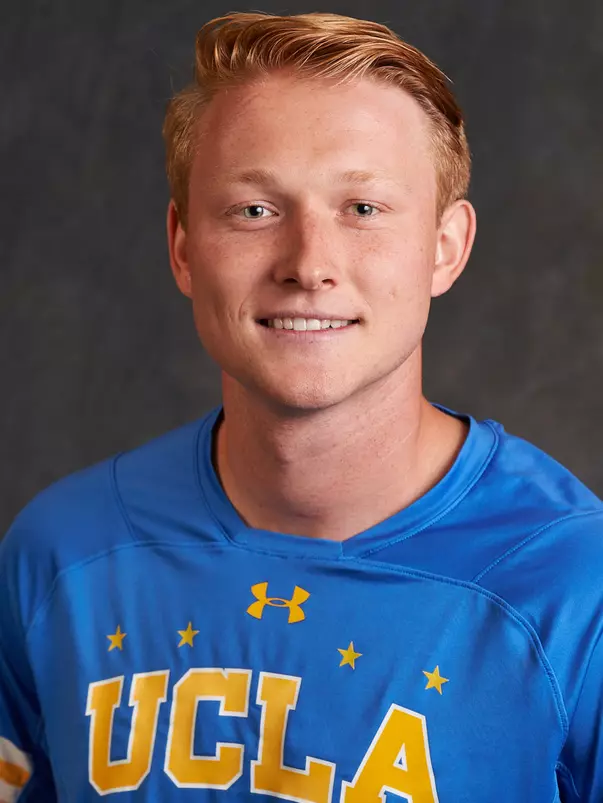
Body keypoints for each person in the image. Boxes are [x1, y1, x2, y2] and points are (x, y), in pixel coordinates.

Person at [0, 10, 601, 802]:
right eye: (254, 210)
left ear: (444, 246)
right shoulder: (61, 555)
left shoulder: (574, 585)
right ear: (183, 247)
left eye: (362, 209)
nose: (308, 264)